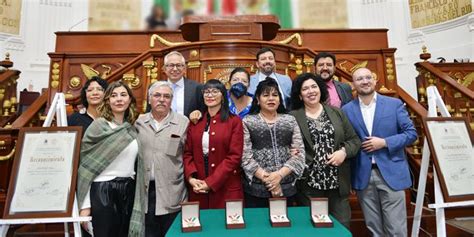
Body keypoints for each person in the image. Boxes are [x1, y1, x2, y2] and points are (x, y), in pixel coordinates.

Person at [342, 67, 417, 237]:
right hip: (363, 175)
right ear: (353, 84)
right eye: (360, 79)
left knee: (396, 229)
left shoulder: (394, 104)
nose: (365, 81)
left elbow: (411, 134)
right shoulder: (346, 110)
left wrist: (384, 142)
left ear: (375, 80)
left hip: (391, 172)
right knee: (374, 228)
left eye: (368, 77)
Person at [289, 73, 360, 228]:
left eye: (314, 86)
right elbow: (286, 145)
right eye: (305, 88)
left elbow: (354, 140)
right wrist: (290, 152)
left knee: (342, 226)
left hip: (337, 182)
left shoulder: (337, 112)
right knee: (314, 229)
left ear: (320, 89)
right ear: (300, 95)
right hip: (308, 185)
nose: (311, 91)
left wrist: (344, 152)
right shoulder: (292, 117)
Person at [77, 81, 145, 237]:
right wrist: (85, 205)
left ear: (130, 100)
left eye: (123, 95)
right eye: (113, 96)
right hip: (102, 191)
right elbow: (86, 168)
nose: (119, 99)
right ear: (107, 100)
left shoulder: (132, 128)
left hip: (128, 189)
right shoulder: (98, 126)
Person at [135, 81, 189, 237]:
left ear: (171, 100)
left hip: (172, 192)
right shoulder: (138, 122)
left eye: (166, 96)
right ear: (149, 99)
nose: (161, 99)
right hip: (145, 192)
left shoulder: (183, 122)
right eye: (157, 95)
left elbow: (189, 155)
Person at [241, 78, 305, 207]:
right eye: (266, 95)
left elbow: (299, 154)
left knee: (285, 225)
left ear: (280, 99)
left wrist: (279, 176)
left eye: (275, 95)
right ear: (258, 100)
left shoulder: (290, 120)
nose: (271, 98)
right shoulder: (248, 121)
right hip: (256, 189)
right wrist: (269, 180)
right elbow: (244, 156)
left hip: (287, 186)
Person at [183, 79, 244, 209]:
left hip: (226, 187)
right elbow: (187, 153)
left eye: (215, 91)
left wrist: (210, 182)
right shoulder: (195, 121)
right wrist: (191, 179)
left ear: (223, 96)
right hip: (198, 187)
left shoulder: (234, 121)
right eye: (207, 92)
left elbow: (234, 157)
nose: (210, 95)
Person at [163, 51, 203, 118]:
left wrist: (199, 114)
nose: (175, 69)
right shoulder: (156, 88)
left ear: (184, 69)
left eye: (178, 65)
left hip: (188, 127)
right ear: (165, 69)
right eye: (171, 65)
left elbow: (203, 111)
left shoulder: (196, 87)